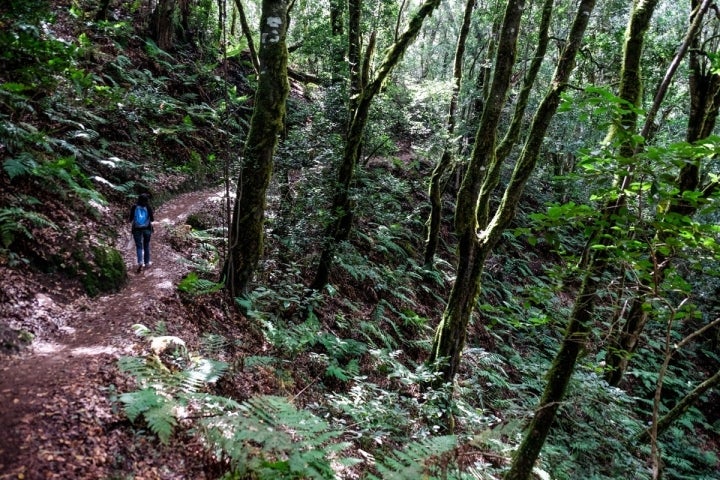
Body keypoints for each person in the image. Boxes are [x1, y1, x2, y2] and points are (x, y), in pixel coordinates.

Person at [130, 193, 154, 273]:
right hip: (147, 229)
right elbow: (152, 219)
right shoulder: (148, 207)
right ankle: (147, 263)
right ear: (146, 200)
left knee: (139, 246)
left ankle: (140, 262)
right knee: (146, 245)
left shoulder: (134, 207)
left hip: (136, 229)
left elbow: (130, 219)